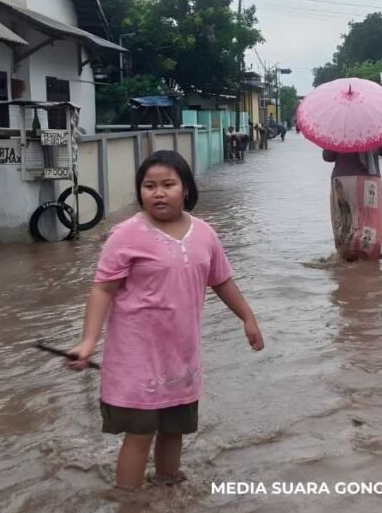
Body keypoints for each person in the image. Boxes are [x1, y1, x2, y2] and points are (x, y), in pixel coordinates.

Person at [67, 150, 264, 489]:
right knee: (140, 434)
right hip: (135, 357)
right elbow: (103, 290)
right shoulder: (126, 235)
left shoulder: (205, 234)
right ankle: (128, 509)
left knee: (174, 430)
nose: (158, 193)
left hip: (181, 355)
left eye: (168, 184)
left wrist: (247, 317)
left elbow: (221, 281)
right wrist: (88, 340)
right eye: (149, 186)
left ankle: (167, 486)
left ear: (186, 188)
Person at [323, 144, 382, 261]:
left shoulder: (338, 132)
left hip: (342, 180)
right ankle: (367, 255)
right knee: (370, 219)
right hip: (368, 181)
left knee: (344, 219)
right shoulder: (372, 132)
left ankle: (344, 255)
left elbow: (327, 156)